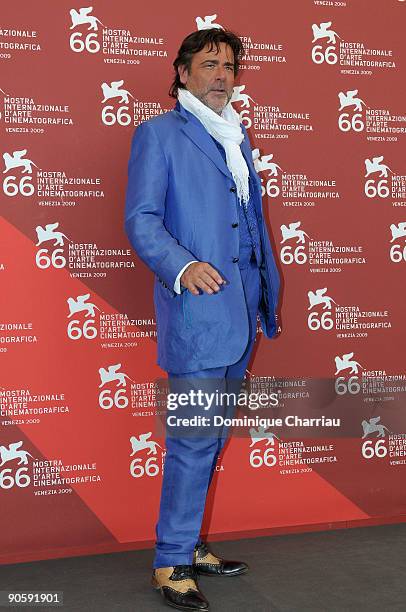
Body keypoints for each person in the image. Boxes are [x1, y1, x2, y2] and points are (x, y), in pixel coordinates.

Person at [125, 27, 280, 612]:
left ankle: (190, 545)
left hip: (242, 312)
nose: (222, 74)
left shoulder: (235, 138)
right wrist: (182, 264)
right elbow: (141, 219)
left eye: (230, 66)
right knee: (192, 439)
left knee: (210, 436)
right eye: (209, 64)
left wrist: (264, 290)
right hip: (196, 316)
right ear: (182, 72)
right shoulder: (159, 135)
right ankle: (171, 561)